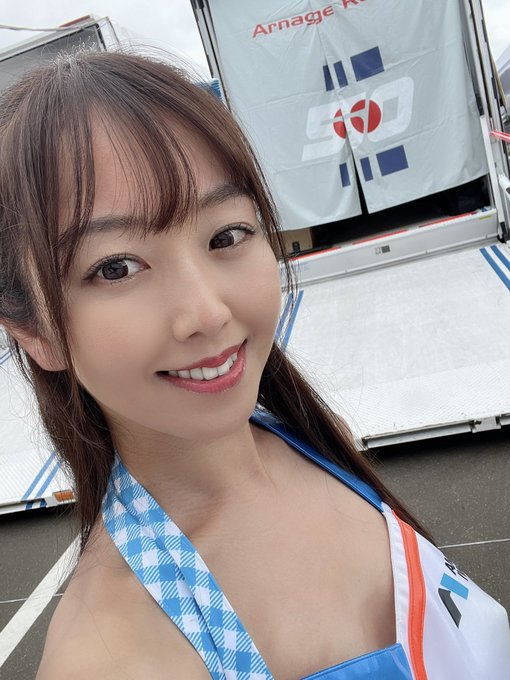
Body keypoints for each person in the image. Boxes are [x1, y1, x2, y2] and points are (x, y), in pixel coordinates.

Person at [0, 50, 508, 680]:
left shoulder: (300, 438)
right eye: (116, 267)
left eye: (226, 235)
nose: (207, 312)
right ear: (36, 333)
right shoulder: (111, 656)